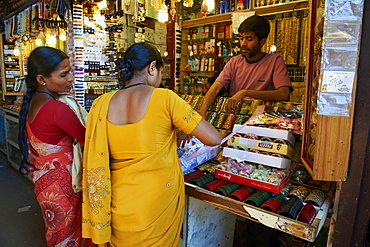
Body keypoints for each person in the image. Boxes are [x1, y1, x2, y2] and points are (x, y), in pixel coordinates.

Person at [81, 42, 222, 246]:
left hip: (119, 200)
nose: (160, 80)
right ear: (152, 67)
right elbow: (214, 138)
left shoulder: (101, 104)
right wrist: (182, 127)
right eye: (161, 73)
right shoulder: (164, 98)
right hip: (156, 202)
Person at [18, 46, 95, 247]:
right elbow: (89, 139)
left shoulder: (31, 103)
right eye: (64, 74)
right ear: (42, 79)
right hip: (63, 184)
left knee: (58, 231)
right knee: (70, 232)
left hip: (44, 182)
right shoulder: (56, 109)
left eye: (70, 71)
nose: (71, 78)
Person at [198, 15, 293, 118]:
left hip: (262, 121)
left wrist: (246, 93)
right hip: (234, 119)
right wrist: (202, 111)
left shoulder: (274, 61)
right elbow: (216, 88)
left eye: (249, 39)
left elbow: (283, 94)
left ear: (262, 41)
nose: (243, 43)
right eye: (241, 38)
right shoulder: (234, 62)